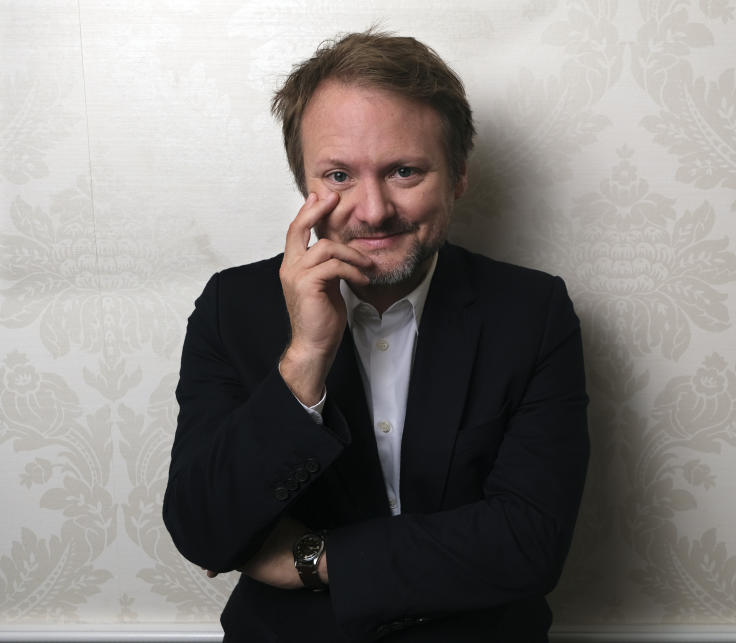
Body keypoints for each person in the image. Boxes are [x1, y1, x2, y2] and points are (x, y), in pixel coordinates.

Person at [162, 30, 589, 642]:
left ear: (458, 176)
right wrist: (306, 356)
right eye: (338, 174)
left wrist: (311, 560)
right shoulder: (231, 308)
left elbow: (530, 545)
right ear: (304, 184)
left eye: (404, 171)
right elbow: (203, 531)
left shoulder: (533, 311)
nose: (372, 210)